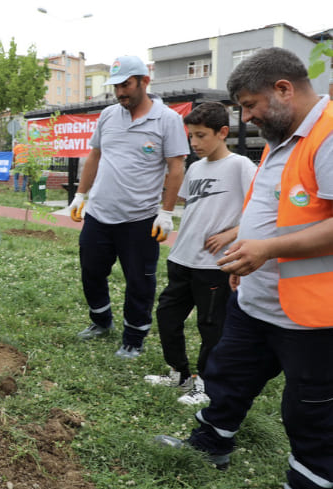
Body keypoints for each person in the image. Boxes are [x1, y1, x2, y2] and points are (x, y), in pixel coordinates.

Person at [156, 47, 333, 487]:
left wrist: (267, 250)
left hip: (312, 315)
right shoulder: (282, 139)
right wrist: (245, 249)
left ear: (283, 89)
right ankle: (212, 442)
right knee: (227, 378)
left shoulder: (327, 137)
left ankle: (312, 478)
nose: (246, 118)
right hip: (256, 300)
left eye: (250, 106)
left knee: (311, 409)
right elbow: (269, 204)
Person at [68, 55, 189, 359]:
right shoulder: (109, 115)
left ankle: (134, 338)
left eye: (126, 85)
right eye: (116, 87)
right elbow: (94, 156)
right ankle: (101, 321)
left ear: (144, 82)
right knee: (91, 271)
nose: (120, 92)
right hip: (99, 214)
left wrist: (166, 212)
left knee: (140, 282)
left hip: (140, 219)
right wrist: (81, 195)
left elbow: (176, 168)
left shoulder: (168, 120)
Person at [144, 102, 256, 405]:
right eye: (191, 136)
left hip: (214, 265)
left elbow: (262, 209)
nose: (194, 143)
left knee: (211, 327)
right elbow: (190, 206)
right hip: (182, 258)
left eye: (201, 135)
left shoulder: (241, 166)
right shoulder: (195, 167)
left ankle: (205, 384)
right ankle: (179, 373)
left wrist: (232, 234)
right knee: (167, 316)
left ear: (222, 132)